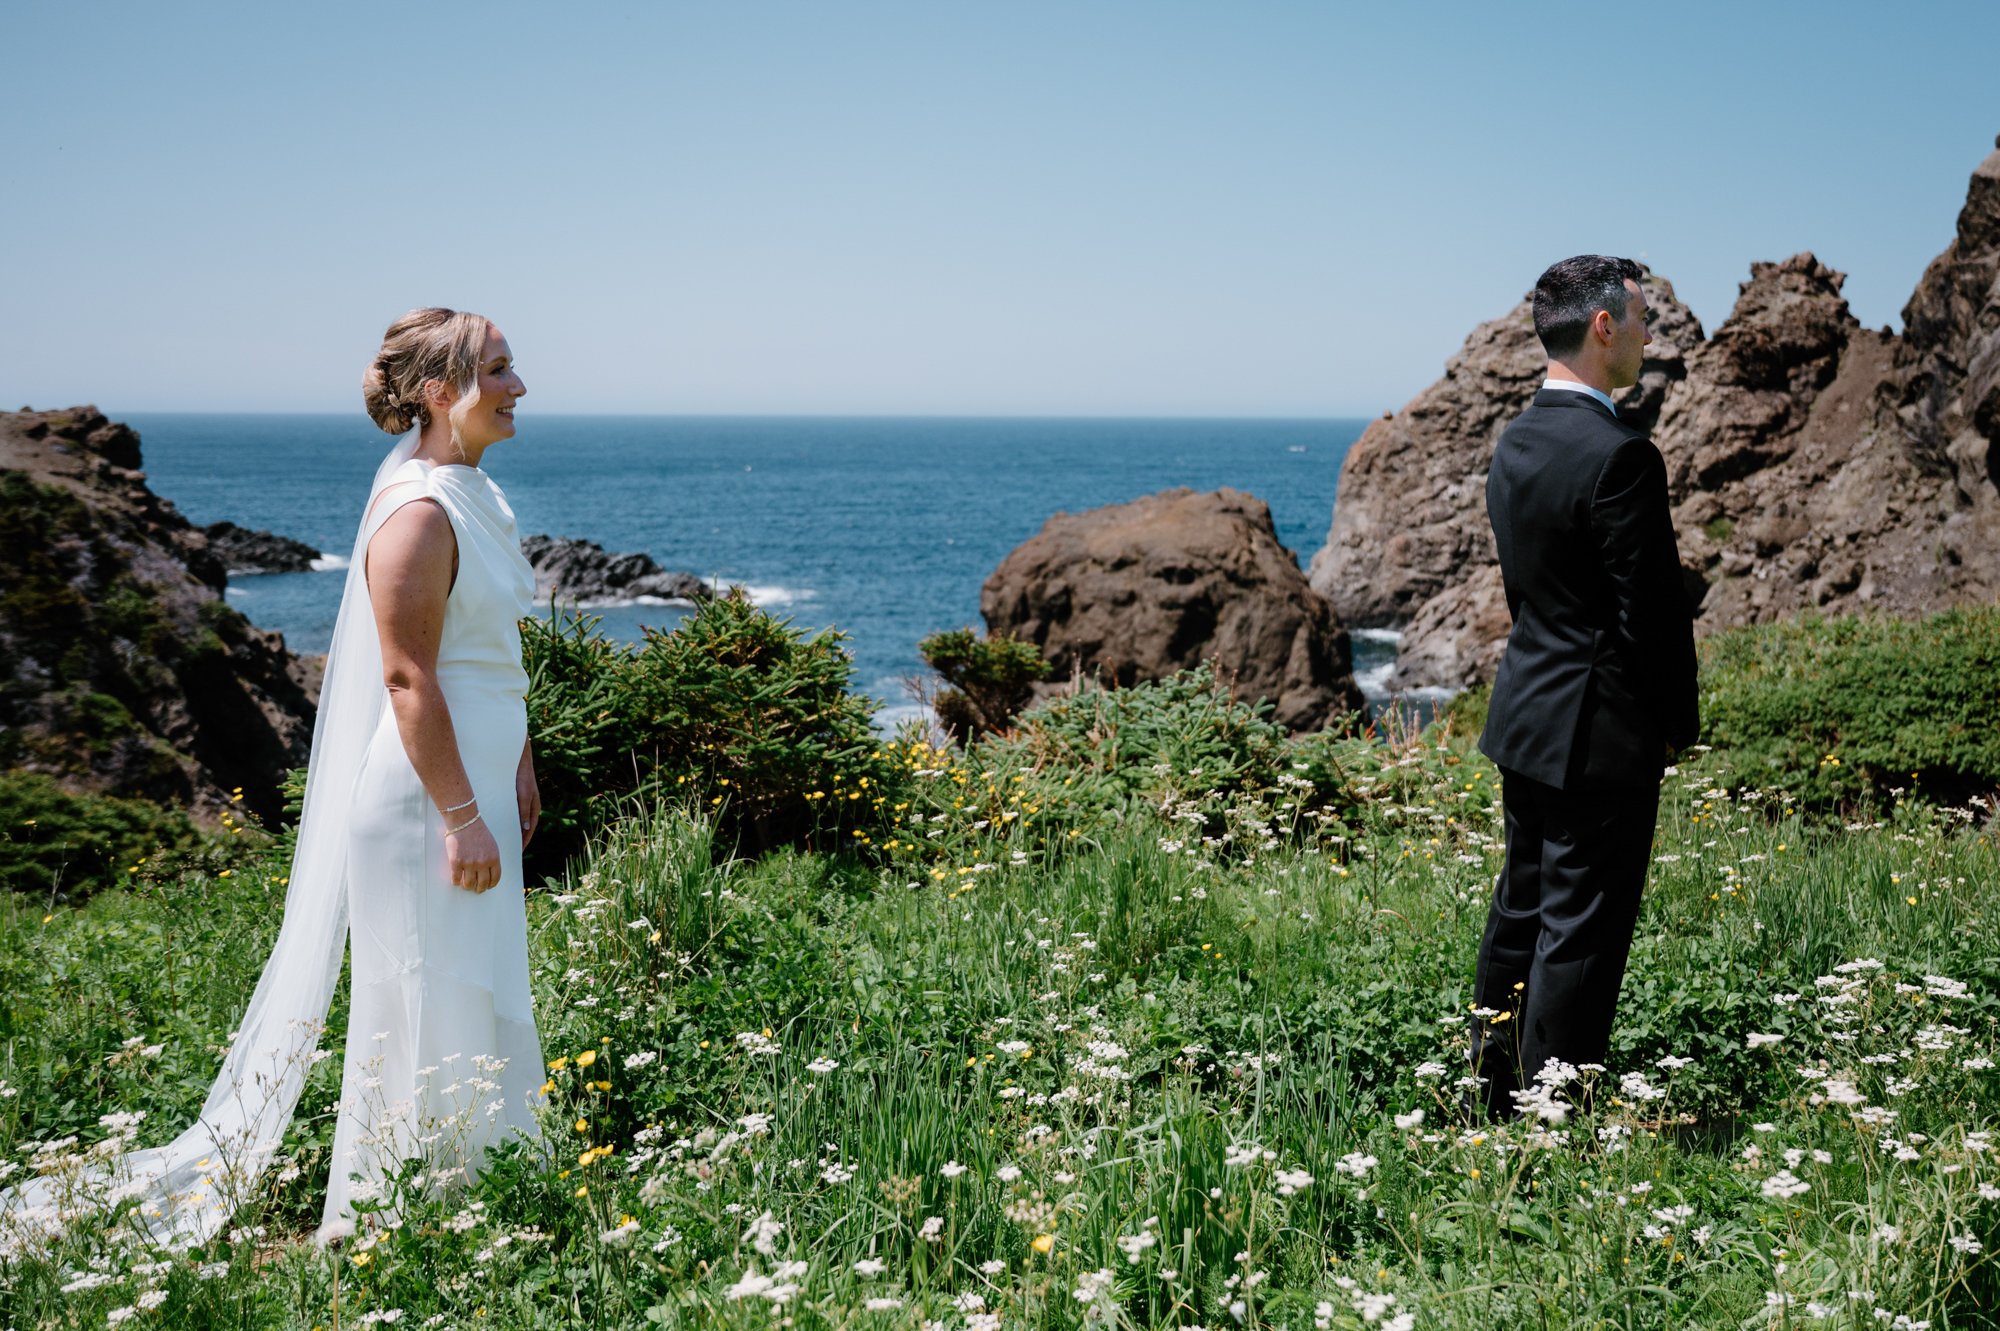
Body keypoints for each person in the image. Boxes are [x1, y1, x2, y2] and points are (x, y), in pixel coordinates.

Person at [1, 308, 546, 1250]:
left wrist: (520, 765)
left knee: (479, 984)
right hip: (426, 798)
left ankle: (478, 1194)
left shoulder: (477, 494)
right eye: (497, 369)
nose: (519, 386)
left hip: (478, 775)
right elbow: (409, 676)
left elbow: (488, 651)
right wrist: (463, 813)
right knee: (419, 994)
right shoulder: (416, 513)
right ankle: (382, 1218)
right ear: (436, 393)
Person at [1468, 256, 1699, 1119]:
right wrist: (1676, 725)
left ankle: (1487, 1095)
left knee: (1520, 906)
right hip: (1599, 733)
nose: (1646, 335)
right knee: (1580, 932)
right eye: (1639, 318)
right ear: (1603, 326)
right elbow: (1652, 620)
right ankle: (1552, 1124)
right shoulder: (1622, 456)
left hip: (1525, 713)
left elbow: (1531, 589)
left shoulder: (1517, 439)